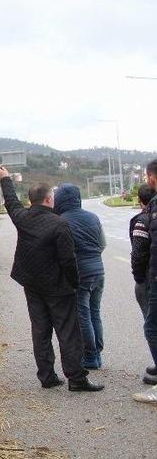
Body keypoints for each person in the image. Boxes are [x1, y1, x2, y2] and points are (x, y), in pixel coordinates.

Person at [0, 166, 103, 392]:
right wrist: (74, 283)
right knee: (68, 332)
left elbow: (11, 201)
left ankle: (46, 376)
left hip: (32, 285)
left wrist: (5, 178)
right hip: (58, 288)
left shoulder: (23, 218)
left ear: (31, 200)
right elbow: (68, 260)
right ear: (48, 199)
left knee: (40, 330)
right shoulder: (60, 224)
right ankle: (76, 378)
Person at [54, 184, 107, 369]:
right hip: (98, 271)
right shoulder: (93, 217)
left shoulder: (61, 221)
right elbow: (102, 244)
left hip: (80, 273)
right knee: (95, 312)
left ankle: (90, 356)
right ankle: (97, 354)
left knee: (82, 315)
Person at [133, 159, 157, 403]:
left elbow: (140, 251)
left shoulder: (148, 213)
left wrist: (140, 278)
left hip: (153, 278)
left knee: (152, 328)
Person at [131, 183, 154, 319]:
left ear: (139, 199)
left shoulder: (141, 222)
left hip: (149, 277)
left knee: (151, 322)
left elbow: (138, 254)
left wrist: (139, 278)